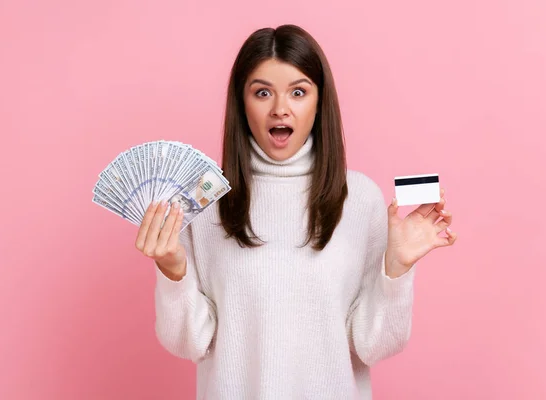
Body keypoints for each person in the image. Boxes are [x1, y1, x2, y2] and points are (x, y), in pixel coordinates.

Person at [134, 24, 457, 400]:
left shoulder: (361, 198)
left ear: (320, 102)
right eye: (262, 92)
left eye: (299, 92)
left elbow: (374, 346)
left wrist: (397, 270)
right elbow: (188, 344)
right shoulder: (204, 200)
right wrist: (173, 271)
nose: (280, 108)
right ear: (242, 103)